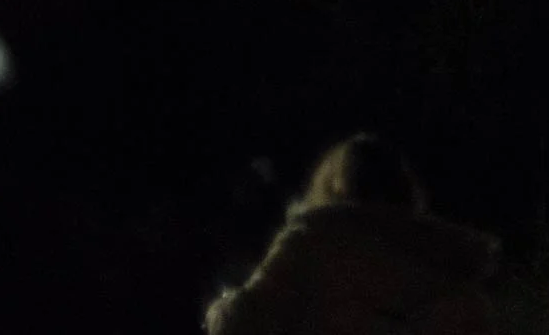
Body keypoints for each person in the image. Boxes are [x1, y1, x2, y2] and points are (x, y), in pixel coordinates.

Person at [206, 134, 497, 335]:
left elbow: (240, 323)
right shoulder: (448, 259)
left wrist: (221, 308)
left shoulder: (312, 243)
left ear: (332, 187)